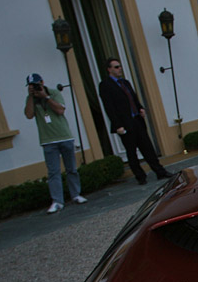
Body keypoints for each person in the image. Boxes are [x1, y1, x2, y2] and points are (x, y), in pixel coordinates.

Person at [98, 58, 171, 185]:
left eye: (120, 66)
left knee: (147, 147)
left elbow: (133, 98)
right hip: (125, 123)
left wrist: (140, 108)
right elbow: (109, 107)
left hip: (136, 120)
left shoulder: (125, 82)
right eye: (116, 67)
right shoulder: (105, 85)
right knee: (131, 151)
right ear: (109, 69)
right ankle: (140, 176)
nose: (119, 68)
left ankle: (159, 171)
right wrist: (117, 125)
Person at [24, 73, 86, 214]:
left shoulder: (54, 93)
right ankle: (57, 201)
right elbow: (29, 115)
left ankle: (76, 195)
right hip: (48, 140)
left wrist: (45, 97)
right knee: (53, 172)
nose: (34, 87)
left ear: (42, 82)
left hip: (64, 136)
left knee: (72, 168)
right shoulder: (31, 99)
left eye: (36, 84)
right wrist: (30, 97)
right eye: (31, 86)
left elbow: (60, 110)